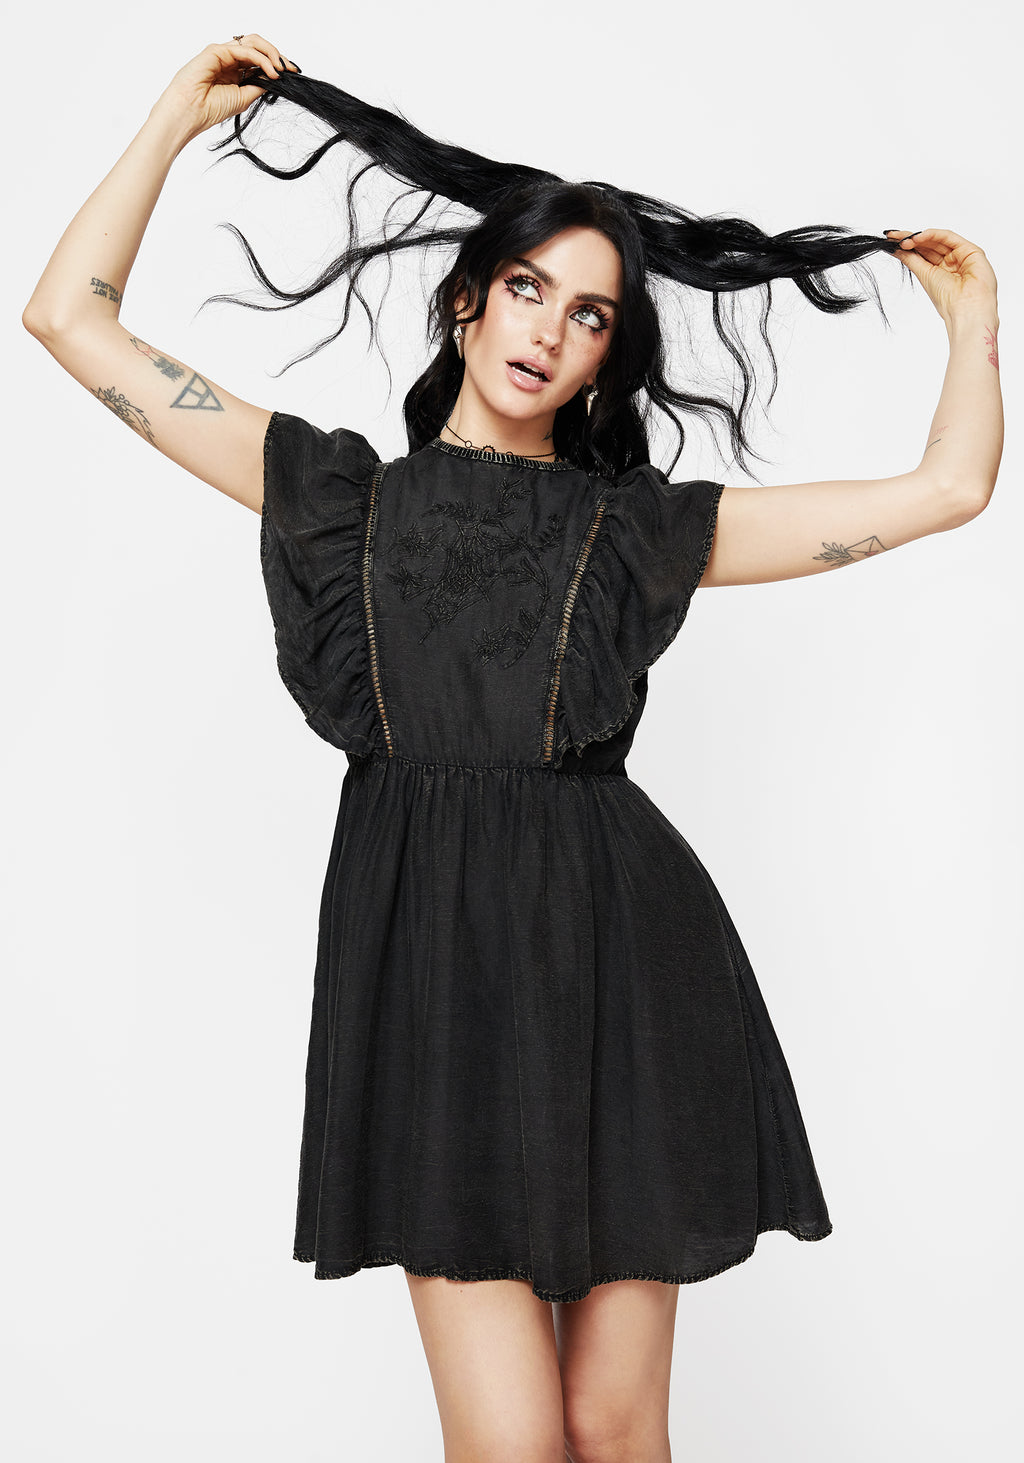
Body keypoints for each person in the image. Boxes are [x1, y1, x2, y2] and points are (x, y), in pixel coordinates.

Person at [22, 33, 1002, 1463]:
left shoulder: (636, 533)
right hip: (431, 983)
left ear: (608, 357)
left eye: (592, 315)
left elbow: (950, 489)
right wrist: (177, 116)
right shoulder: (335, 498)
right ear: (469, 300)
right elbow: (68, 318)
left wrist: (974, 318)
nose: (551, 330)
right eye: (531, 288)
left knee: (611, 1429)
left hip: (628, 970)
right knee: (512, 1446)